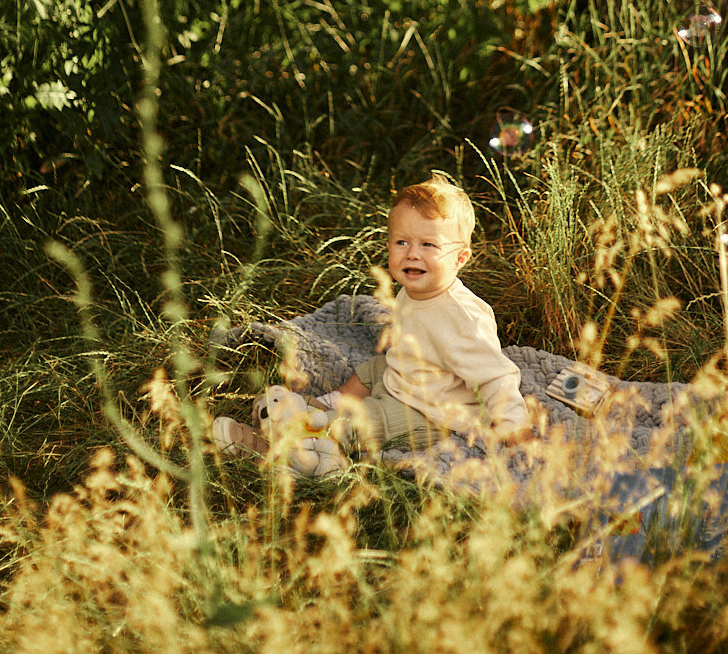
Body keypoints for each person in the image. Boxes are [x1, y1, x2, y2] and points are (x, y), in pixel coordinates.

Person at [212, 174, 532, 469]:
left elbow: (496, 377)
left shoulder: (462, 318)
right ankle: (323, 407)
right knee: (372, 369)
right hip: (408, 375)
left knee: (371, 420)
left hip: (430, 410)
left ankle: (285, 448)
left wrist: (514, 426)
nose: (412, 254)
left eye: (429, 245)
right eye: (401, 242)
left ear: (460, 258)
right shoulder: (414, 290)